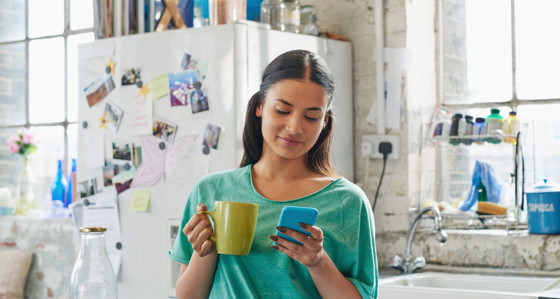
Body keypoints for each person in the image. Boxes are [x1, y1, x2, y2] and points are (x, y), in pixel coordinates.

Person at [168, 50, 378, 298]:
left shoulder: (348, 202)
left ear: (324, 122)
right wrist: (206, 251)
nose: (295, 127)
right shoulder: (210, 191)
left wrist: (317, 261)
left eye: (311, 116)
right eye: (282, 110)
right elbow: (187, 296)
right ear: (259, 107)